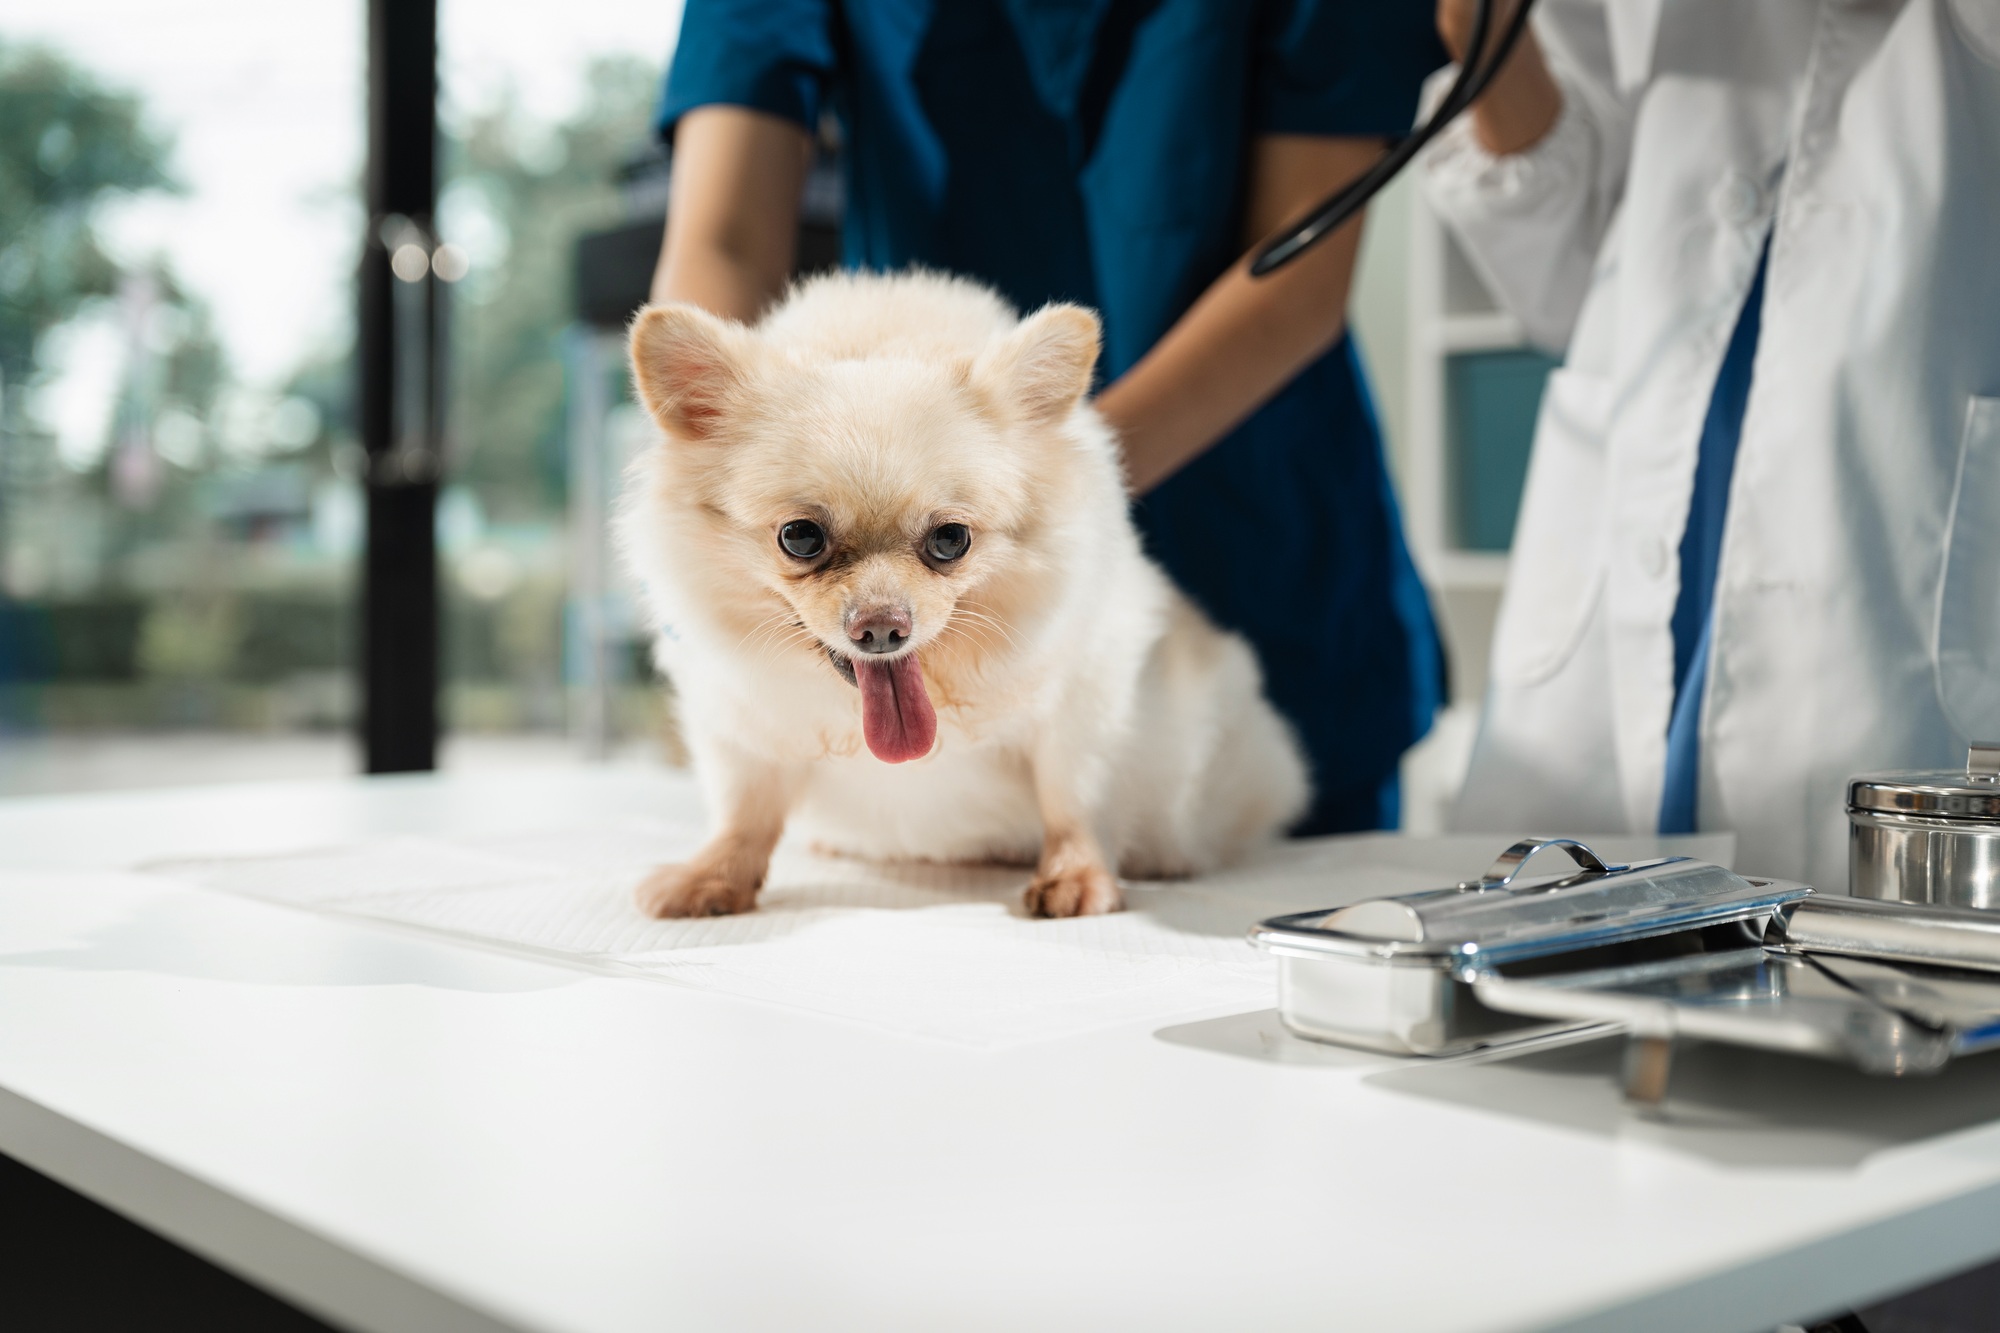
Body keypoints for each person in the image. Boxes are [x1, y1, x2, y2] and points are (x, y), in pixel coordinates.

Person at [649, 0, 1449, 835]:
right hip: (919, 582)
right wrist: (722, 447)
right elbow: (726, 238)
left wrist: (1047, 494)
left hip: (1248, 542)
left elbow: (1300, 269)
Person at [1423, 0, 2000, 887]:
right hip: (1640, 520)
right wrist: (1483, 35)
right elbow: (1563, 280)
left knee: (1881, 985)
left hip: (1905, 503)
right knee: (1561, 988)